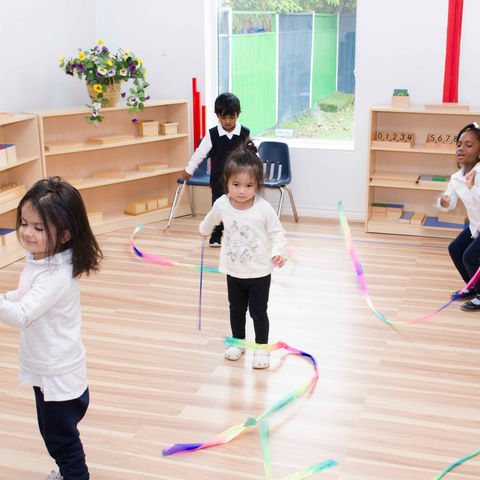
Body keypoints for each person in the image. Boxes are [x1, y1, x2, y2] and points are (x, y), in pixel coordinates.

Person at [0, 177, 103, 480]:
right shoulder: (42, 260)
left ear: (66, 233)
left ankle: (75, 476)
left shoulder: (55, 275)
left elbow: (22, 314)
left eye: (39, 228)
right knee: (52, 435)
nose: (27, 233)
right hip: (47, 371)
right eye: (24, 223)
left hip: (58, 377)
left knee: (62, 442)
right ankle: (67, 473)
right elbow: (24, 297)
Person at [199, 142, 287, 369]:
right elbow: (210, 219)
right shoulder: (222, 204)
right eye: (236, 184)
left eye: (249, 185)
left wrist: (278, 251)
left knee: (258, 312)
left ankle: (261, 349)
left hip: (259, 273)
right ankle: (238, 343)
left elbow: (278, 233)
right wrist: (204, 230)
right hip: (234, 271)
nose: (241, 190)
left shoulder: (263, 208)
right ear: (226, 181)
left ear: (257, 184)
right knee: (236, 310)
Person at [183, 92, 250, 247]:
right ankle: (216, 233)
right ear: (217, 115)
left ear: (238, 114)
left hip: (239, 181)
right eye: (223, 117)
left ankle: (240, 234)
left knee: (240, 207)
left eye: (231, 117)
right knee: (218, 207)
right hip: (219, 180)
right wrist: (189, 169)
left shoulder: (244, 133)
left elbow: (252, 154)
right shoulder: (212, 135)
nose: (228, 121)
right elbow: (200, 153)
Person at [439, 123, 480, 311]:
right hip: (475, 225)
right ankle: (472, 286)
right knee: (455, 249)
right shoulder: (456, 177)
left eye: (468, 145)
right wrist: (445, 201)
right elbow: (450, 201)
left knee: (469, 256)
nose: (461, 148)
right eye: (459, 144)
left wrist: (472, 186)